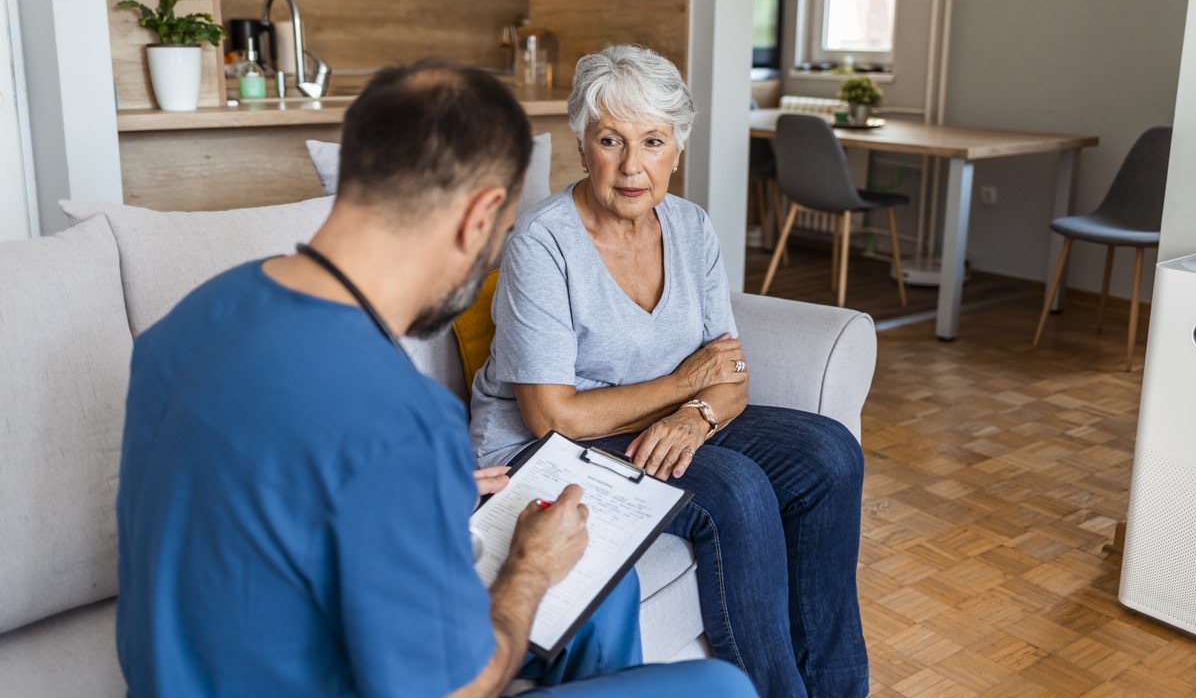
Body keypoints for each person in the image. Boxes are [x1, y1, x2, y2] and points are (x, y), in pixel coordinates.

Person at [115, 62, 755, 698]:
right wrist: (529, 569)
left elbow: (274, 498)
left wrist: (418, 491)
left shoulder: (187, 322)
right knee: (720, 687)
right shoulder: (402, 418)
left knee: (600, 591)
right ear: (480, 219)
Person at [470, 46, 869, 698]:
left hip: (649, 423)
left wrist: (696, 415)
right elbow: (554, 416)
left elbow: (731, 371)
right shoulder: (541, 243)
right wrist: (687, 384)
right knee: (735, 492)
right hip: (548, 450)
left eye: (653, 141)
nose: (633, 166)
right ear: (582, 145)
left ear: (676, 149)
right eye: (611, 140)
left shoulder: (691, 228)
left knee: (830, 453)